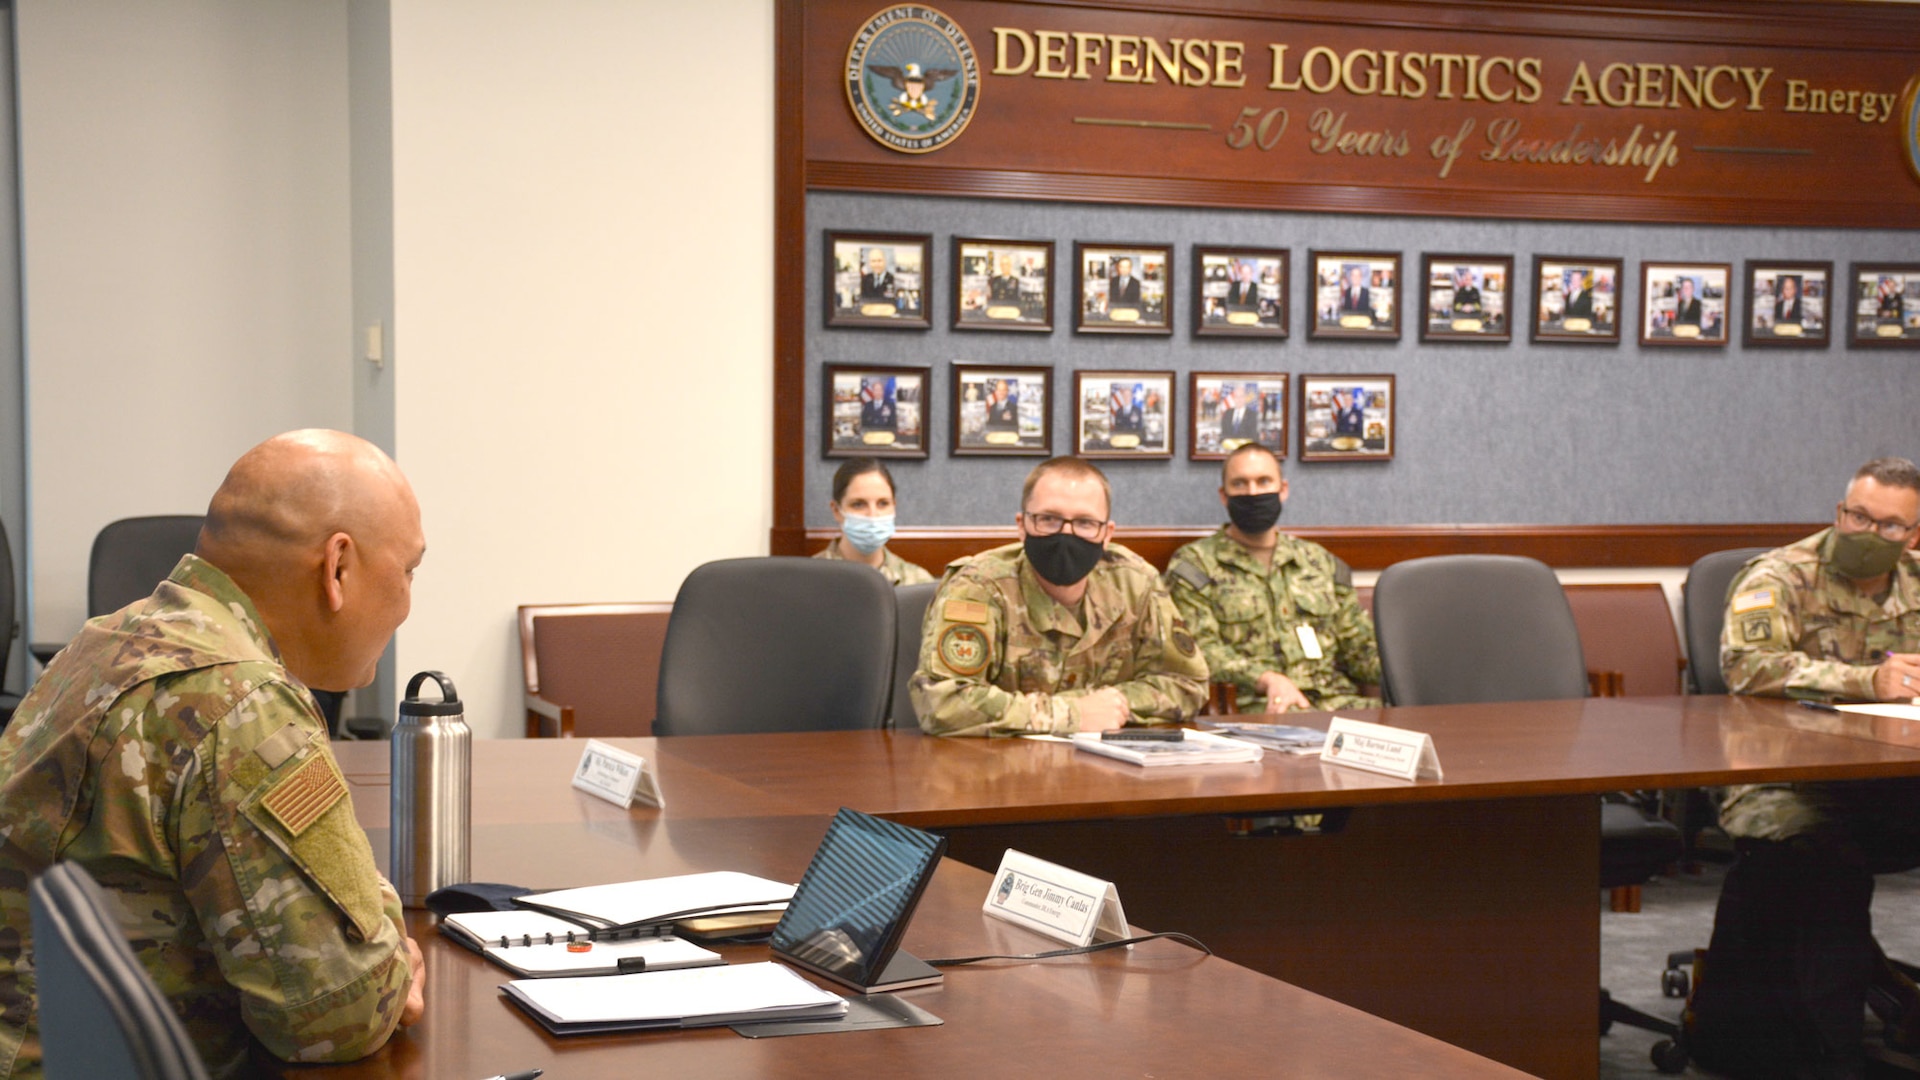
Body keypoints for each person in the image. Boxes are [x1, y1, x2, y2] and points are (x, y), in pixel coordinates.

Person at [0, 430, 427, 1078]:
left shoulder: (108, 639)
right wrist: (390, 942)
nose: (407, 602)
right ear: (338, 568)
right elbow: (335, 1016)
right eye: (409, 569)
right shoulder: (240, 706)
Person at [1690, 457, 1920, 1076]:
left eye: (1890, 526)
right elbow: (1747, 666)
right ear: (1840, 510)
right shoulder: (1782, 574)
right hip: (1781, 777)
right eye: (1857, 516)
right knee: (1821, 862)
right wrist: (1868, 680)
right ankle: (1828, 1053)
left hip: (1894, 780)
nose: (1868, 534)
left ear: (1915, 535)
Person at [910, 457, 1208, 737]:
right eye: (1049, 519)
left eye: (1085, 523)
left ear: (1107, 533)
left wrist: (1110, 705)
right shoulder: (978, 586)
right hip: (996, 773)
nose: (1066, 534)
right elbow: (942, 703)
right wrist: (1073, 714)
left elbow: (1187, 682)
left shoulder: (1136, 582)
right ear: (1021, 525)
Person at [1165, 443, 1381, 714]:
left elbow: (1358, 645)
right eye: (1240, 484)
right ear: (1224, 495)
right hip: (1260, 710)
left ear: (1283, 489)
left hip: (1336, 705)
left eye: (1264, 481)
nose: (1253, 493)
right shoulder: (1195, 566)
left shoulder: (1318, 562)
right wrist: (1265, 679)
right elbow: (1198, 650)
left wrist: (1409, 674)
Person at [814, 458, 934, 586]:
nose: (872, 515)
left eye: (883, 503)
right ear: (836, 511)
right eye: (858, 504)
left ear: (894, 506)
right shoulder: (808, 579)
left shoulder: (918, 582)